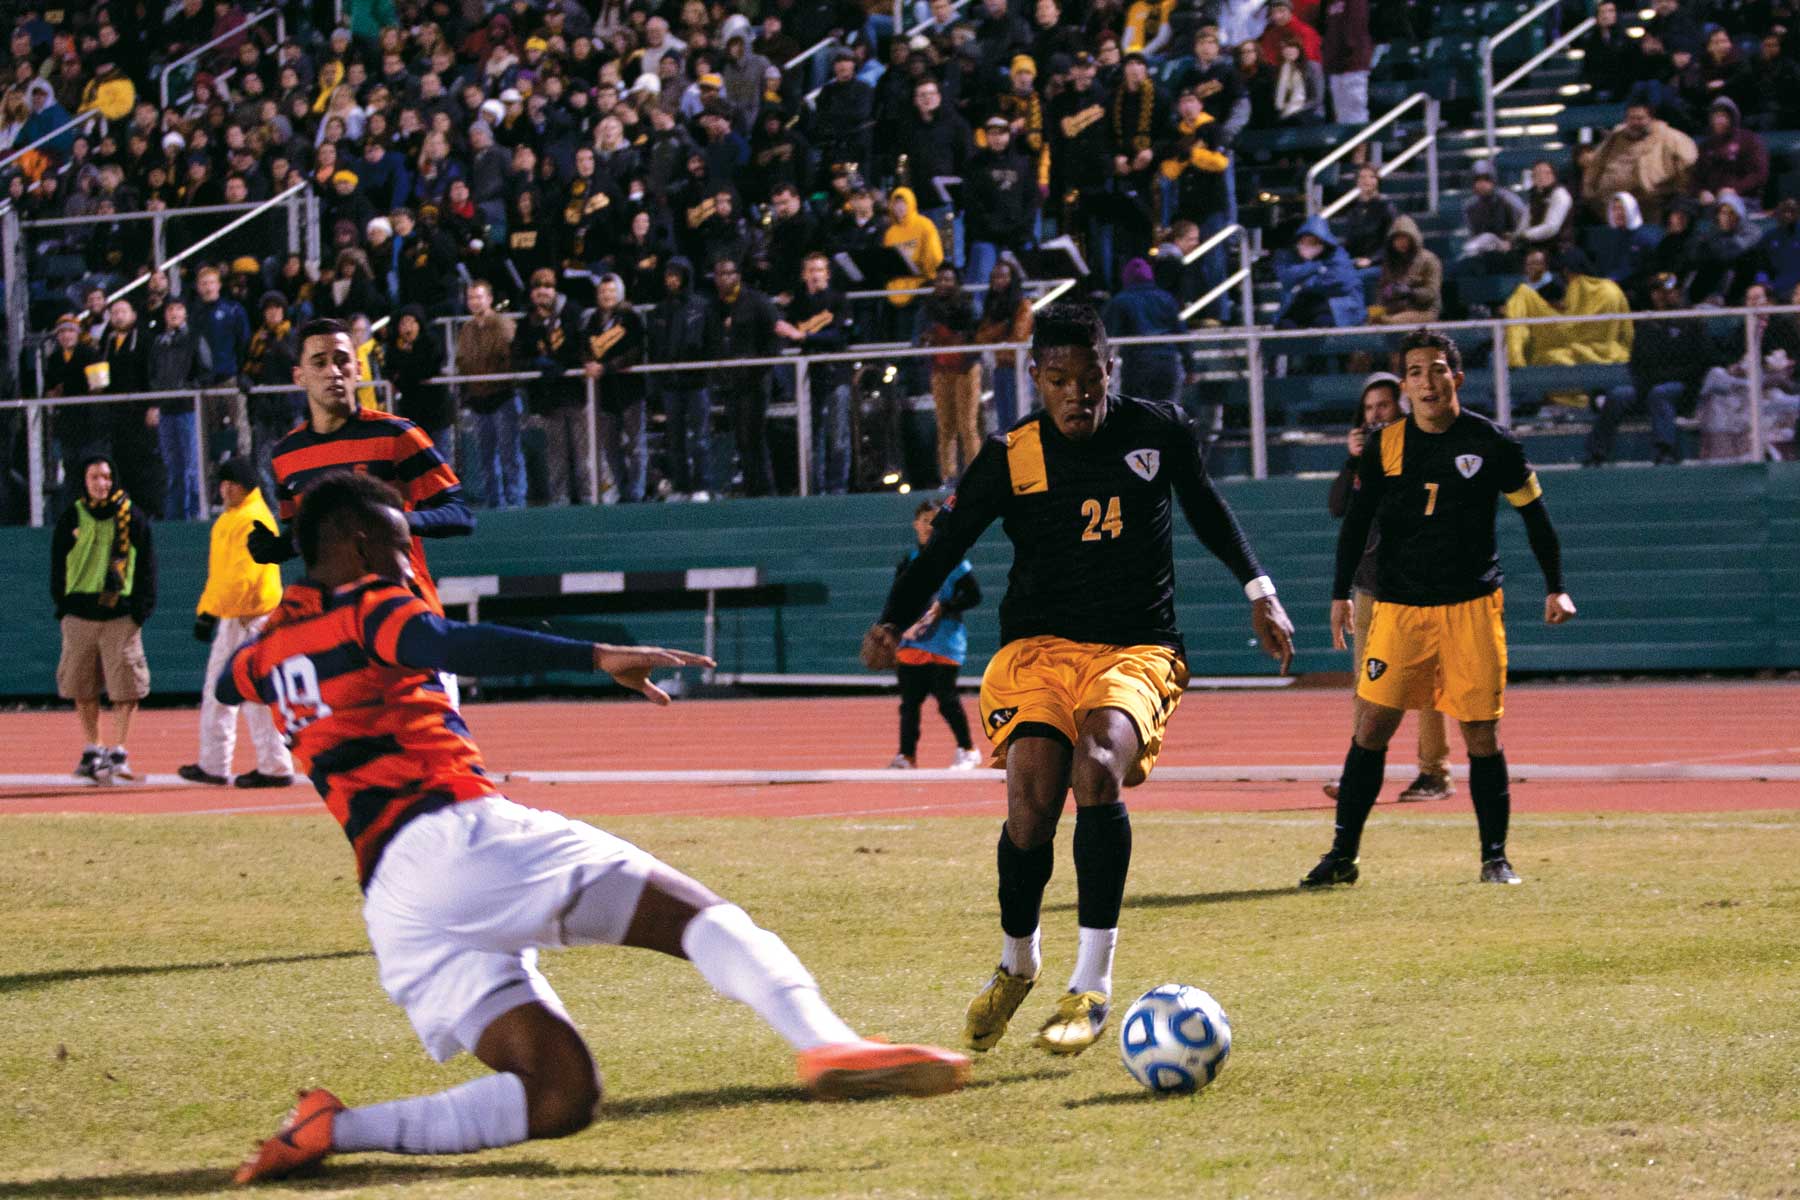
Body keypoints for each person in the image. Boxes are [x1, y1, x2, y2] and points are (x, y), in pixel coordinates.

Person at [228, 471, 969, 1186]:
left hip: (394, 902)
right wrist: (594, 656)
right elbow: (449, 643)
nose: (405, 567)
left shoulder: (267, 652)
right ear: (356, 542)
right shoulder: (369, 607)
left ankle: (331, 1128)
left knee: (559, 1094)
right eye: (396, 549)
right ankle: (826, 1042)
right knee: (696, 914)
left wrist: (284, 598)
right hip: (458, 838)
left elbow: (235, 676)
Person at [861, 303, 1294, 1057]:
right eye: (1058, 380)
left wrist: (1261, 590)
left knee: (1096, 766)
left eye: (1088, 379)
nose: (1076, 395)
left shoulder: (1157, 431)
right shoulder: (1011, 454)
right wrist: (894, 619)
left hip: (1136, 649)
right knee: (1031, 799)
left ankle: (1091, 982)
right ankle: (1016, 962)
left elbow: (1209, 510)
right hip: (1038, 651)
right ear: (1035, 379)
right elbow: (945, 544)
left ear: (1110, 370)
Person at [1303, 329, 1576, 890]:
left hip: (1471, 608)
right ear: (1405, 385)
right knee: (1371, 728)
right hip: (1400, 610)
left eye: (1437, 369)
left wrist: (1556, 585)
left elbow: (1536, 515)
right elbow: (1355, 524)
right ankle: (1342, 856)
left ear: (1457, 376)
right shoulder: (1386, 444)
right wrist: (1339, 594)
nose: (1427, 381)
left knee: (1481, 734)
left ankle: (1495, 857)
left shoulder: (1493, 442)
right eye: (1415, 372)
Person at [250, 318, 474, 642]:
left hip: (407, 619)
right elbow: (310, 536)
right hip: (339, 636)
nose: (333, 371)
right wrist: (278, 548)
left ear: (357, 368)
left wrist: (396, 521)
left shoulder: (398, 434)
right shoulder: (286, 455)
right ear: (299, 376)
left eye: (342, 361)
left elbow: (460, 514)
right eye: (319, 362)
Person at [1324, 374, 1452, 804]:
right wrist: (1352, 461)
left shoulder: (1417, 446)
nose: (1377, 414)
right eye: (1370, 408)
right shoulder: (1367, 456)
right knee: (1365, 683)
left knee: (1428, 683)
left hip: (1418, 583)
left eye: (1384, 405)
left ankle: (1435, 772)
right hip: (1371, 583)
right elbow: (1339, 507)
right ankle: (1359, 772)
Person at [177, 455, 293, 789]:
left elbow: (241, 578)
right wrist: (208, 608)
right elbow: (221, 576)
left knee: (254, 692)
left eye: (230, 484)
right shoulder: (230, 519)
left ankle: (274, 766)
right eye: (222, 483)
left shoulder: (253, 519)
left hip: (255, 618)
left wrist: (209, 611)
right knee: (218, 689)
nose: (223, 490)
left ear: (245, 486)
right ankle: (214, 764)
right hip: (234, 616)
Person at [52, 455, 154, 785]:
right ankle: (93, 749)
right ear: (84, 480)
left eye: (107, 477)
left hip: (120, 615)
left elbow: (148, 568)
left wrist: (140, 610)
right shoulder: (71, 516)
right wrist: (64, 606)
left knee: (126, 688)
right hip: (80, 614)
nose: (102, 483)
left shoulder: (132, 517)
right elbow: (57, 564)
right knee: (82, 687)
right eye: (95, 476)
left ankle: (119, 751)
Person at [889, 500, 984, 770]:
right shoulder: (908, 562)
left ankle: (967, 749)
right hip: (912, 642)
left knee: (946, 698)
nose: (928, 526)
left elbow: (974, 595)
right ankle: (906, 756)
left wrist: (945, 607)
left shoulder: (954, 560)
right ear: (915, 524)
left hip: (945, 641)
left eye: (933, 520)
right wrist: (890, 627)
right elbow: (897, 598)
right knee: (909, 703)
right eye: (923, 520)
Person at [1585, 272, 1702, 466]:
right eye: (1656, 291)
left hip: (1683, 389)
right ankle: (1596, 453)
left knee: (1660, 393)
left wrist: (1661, 379)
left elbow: (1697, 363)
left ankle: (1665, 451)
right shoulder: (1647, 325)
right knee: (1618, 396)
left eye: (1666, 291)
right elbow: (1637, 363)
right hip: (1647, 386)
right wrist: (1646, 382)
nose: (1661, 296)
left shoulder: (1692, 322)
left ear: (1678, 292)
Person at [775, 252, 856, 496]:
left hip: (836, 374)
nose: (815, 275)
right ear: (804, 274)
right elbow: (784, 329)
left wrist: (806, 336)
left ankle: (837, 487)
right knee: (812, 435)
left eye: (820, 270)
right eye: (811, 270)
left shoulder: (839, 299)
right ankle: (814, 488)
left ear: (828, 274)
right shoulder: (798, 302)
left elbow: (842, 334)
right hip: (809, 376)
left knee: (838, 434)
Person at [514, 269, 591, 506]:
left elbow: (584, 345)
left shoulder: (572, 312)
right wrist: (535, 363)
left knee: (582, 455)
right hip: (548, 399)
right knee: (556, 456)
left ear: (555, 289)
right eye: (537, 287)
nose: (542, 291)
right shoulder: (528, 322)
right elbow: (517, 356)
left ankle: (590, 500)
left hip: (576, 394)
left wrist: (564, 364)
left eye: (547, 286)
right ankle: (561, 501)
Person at [647, 258, 715, 501]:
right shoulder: (658, 311)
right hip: (670, 386)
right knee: (674, 440)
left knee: (700, 439)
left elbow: (711, 344)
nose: (672, 279)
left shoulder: (701, 306)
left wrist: (706, 374)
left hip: (697, 384)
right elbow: (654, 351)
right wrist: (656, 387)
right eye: (668, 275)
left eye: (676, 275)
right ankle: (680, 487)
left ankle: (703, 486)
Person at [456, 279, 525, 510]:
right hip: (478, 399)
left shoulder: (503, 324)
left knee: (509, 453)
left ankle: (516, 501)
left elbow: (508, 357)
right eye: (471, 297)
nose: (474, 301)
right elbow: (463, 361)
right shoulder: (466, 329)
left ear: (489, 299)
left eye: (479, 296)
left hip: (502, 396)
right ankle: (494, 502)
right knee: (485, 456)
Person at [1579, 100, 1697, 225]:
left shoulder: (1670, 138)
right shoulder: (1614, 138)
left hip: (1651, 204)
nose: (1635, 122)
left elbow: (1688, 162)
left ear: (1651, 119)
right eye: (1631, 118)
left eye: (1640, 118)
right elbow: (1596, 164)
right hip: (1610, 206)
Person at [1101, 257, 1185, 406]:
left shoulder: (1120, 301)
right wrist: (1190, 366)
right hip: (1168, 362)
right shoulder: (1167, 299)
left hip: (1137, 365)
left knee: (1138, 415)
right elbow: (1181, 334)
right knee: (1167, 416)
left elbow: (1107, 334)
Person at [1368, 215, 1442, 326]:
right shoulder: (1390, 262)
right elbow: (1381, 290)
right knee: (1372, 318)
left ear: (1413, 239)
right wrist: (1387, 293)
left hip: (1422, 310)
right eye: (1397, 239)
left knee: (1390, 322)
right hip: (1393, 307)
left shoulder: (1429, 260)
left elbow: (1432, 292)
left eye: (1405, 238)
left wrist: (1410, 292)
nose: (1401, 242)